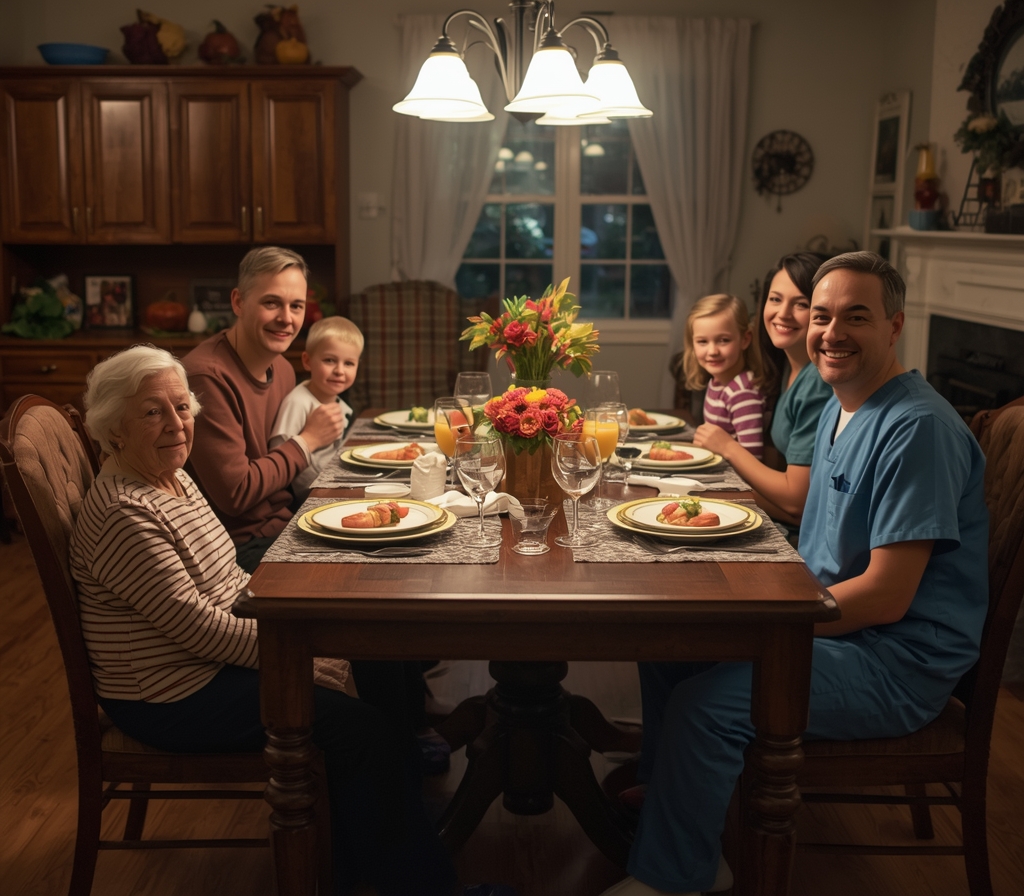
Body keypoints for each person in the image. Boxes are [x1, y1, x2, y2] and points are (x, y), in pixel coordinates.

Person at [603, 251, 989, 896]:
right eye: (822, 314)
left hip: (894, 661)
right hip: (848, 630)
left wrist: (763, 627)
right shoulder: (846, 405)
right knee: (666, 644)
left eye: (856, 317)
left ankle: (675, 878)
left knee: (707, 705)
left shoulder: (916, 427)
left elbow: (885, 597)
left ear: (895, 327)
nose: (832, 332)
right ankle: (679, 810)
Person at [68, 345, 512, 896]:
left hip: (209, 661)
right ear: (113, 429)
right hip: (171, 695)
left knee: (378, 669)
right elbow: (199, 630)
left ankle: (372, 854)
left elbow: (226, 583)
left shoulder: (172, 478)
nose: (176, 424)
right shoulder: (124, 513)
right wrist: (299, 654)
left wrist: (310, 649)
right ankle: (415, 882)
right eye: (152, 412)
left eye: (181, 407)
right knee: (362, 730)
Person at [183, 246, 345, 573]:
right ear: (238, 302)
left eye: (296, 306)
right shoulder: (205, 376)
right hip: (237, 546)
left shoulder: (282, 368)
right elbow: (237, 494)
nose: (286, 318)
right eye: (272, 303)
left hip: (287, 522)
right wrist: (307, 440)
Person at [692, 253, 833, 527]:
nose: (783, 313)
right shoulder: (784, 369)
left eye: (801, 303)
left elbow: (796, 503)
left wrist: (727, 450)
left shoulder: (817, 383)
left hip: (805, 533)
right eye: (775, 299)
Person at [270, 315, 362, 503]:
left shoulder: (337, 403)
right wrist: (326, 490)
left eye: (349, 363)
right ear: (307, 361)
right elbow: (280, 455)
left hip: (334, 483)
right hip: (311, 495)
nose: (339, 370)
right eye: (329, 360)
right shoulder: (298, 402)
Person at [674, 294, 766, 460]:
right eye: (703, 342)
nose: (712, 351)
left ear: (745, 339)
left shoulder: (741, 393)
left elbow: (753, 459)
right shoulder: (717, 383)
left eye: (723, 340)